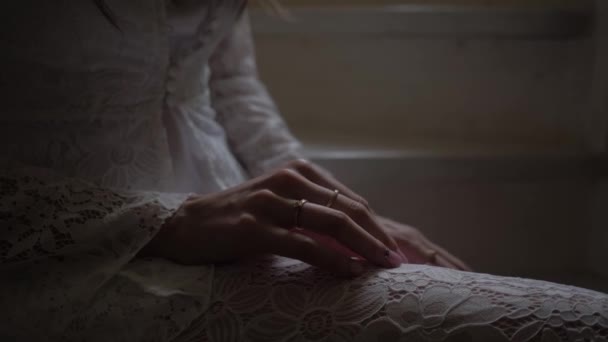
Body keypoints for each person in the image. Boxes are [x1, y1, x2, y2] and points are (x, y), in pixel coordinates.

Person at [0, 1, 606, 341]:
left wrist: (333, 205)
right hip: (64, 262)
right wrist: (162, 220)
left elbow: (224, 83)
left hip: (229, 221)